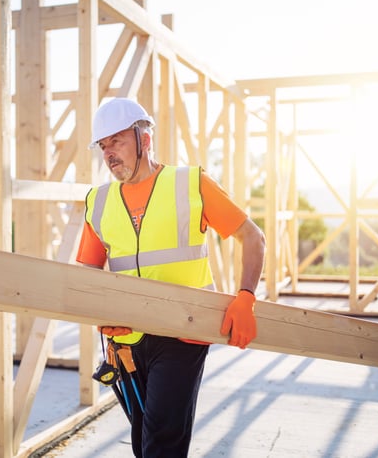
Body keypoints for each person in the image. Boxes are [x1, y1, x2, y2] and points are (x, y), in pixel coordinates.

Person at [76, 98, 266, 458]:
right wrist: (99, 315)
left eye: (116, 141)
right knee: (142, 440)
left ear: (144, 139)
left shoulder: (190, 183)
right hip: (126, 342)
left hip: (182, 335)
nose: (109, 153)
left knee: (161, 443)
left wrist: (245, 296)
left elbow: (253, 237)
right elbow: (88, 271)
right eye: (103, 146)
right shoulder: (98, 201)